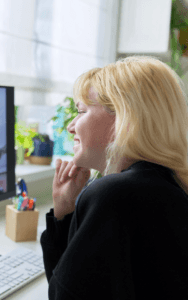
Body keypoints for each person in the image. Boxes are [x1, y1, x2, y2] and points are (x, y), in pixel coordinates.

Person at [40, 56, 188, 299]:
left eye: (81, 111)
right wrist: (64, 211)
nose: (71, 126)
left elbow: (61, 295)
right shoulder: (173, 185)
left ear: (123, 115)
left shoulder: (113, 195)